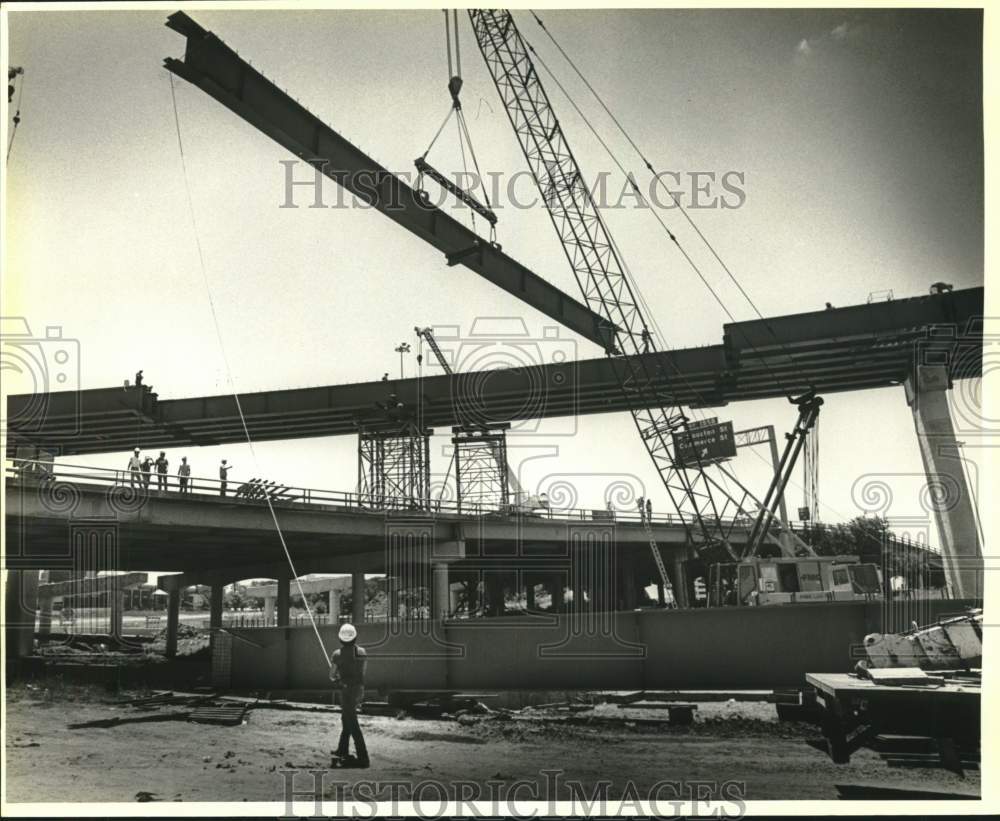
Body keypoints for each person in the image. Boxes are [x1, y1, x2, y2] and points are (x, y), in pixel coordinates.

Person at [330, 623, 369, 768]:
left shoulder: (337, 654)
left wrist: (338, 676)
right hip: (358, 690)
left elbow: (331, 676)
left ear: (340, 639)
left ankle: (363, 757)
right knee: (346, 718)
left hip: (346, 691)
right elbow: (363, 673)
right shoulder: (362, 652)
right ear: (355, 637)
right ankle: (342, 749)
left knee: (352, 722)